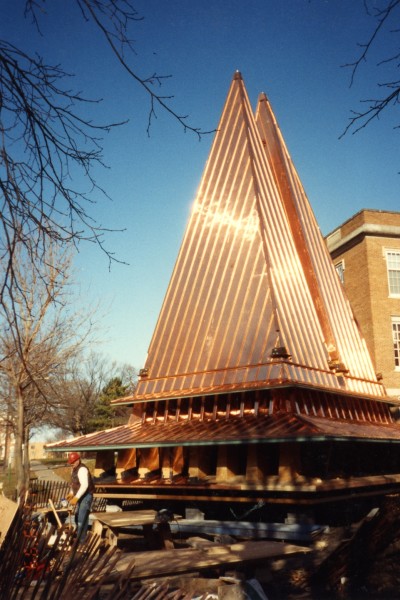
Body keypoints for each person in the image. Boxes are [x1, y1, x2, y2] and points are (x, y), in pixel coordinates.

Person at [66, 451, 95, 543]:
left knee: (81, 518)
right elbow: (74, 484)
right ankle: (80, 537)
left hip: (86, 496)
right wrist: (71, 493)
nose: (71, 464)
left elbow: (84, 485)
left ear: (78, 460)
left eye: (73, 462)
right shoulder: (74, 470)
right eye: (71, 463)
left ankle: (82, 540)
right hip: (81, 496)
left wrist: (76, 497)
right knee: (77, 516)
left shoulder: (82, 470)